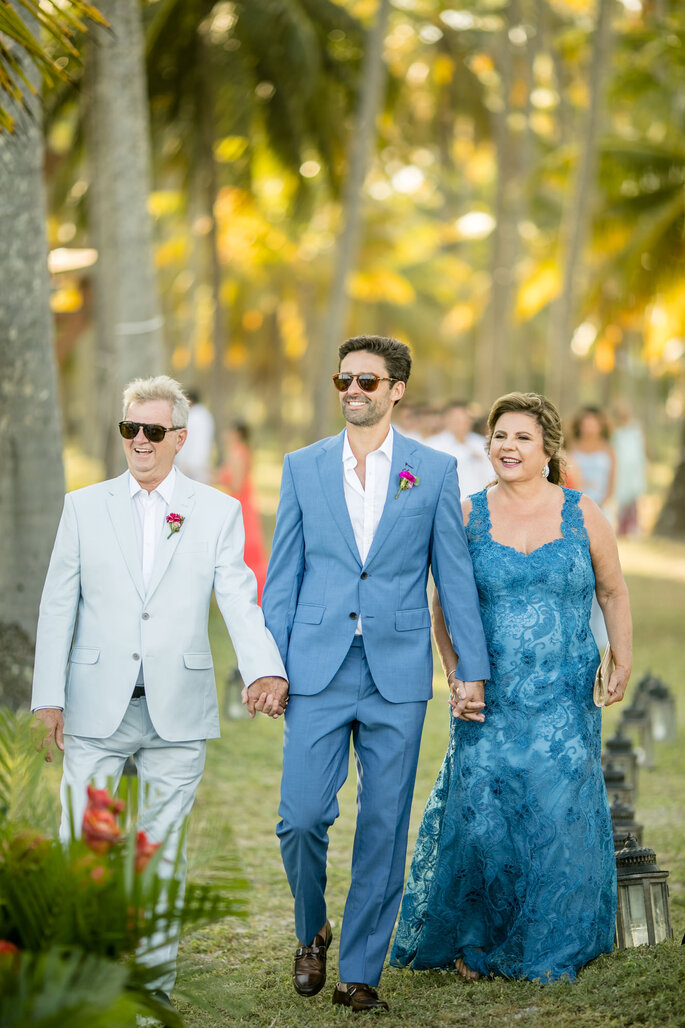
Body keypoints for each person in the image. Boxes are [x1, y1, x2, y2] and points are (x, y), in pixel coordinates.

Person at [31, 374, 288, 1013]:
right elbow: (57, 605)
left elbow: (237, 596)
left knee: (162, 852)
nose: (139, 442)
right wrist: (46, 697)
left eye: (152, 431)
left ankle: (150, 989)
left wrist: (263, 668)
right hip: (94, 704)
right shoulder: (83, 506)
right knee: (83, 845)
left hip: (178, 705)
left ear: (178, 437)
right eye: (129, 430)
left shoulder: (218, 510)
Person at [262, 335, 490, 1012]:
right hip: (316, 667)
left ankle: (358, 970)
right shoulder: (301, 467)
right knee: (299, 818)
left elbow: (453, 577)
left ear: (396, 390)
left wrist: (469, 670)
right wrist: (269, 666)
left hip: (397, 670)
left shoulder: (434, 470)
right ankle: (312, 931)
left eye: (367, 381)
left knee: (384, 823)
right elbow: (283, 578)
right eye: (343, 380)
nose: (353, 392)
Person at [391, 391, 632, 983]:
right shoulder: (468, 514)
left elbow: (612, 591)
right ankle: (478, 937)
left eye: (522, 437)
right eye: (499, 436)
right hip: (488, 695)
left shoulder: (584, 511)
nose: (507, 447)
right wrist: (454, 673)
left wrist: (620, 653)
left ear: (548, 447)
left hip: (564, 694)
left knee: (558, 813)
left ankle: (556, 932)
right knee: (484, 815)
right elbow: (441, 603)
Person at [217, 422, 268, 601]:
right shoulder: (242, 450)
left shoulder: (237, 452)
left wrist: (214, 477)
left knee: (244, 546)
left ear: (236, 433)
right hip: (244, 502)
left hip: (241, 503)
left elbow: (236, 484)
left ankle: (252, 593)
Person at [427, 400, 494, 497]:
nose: (462, 423)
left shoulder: (481, 443)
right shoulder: (434, 445)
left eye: (466, 419)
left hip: (482, 500)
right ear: (446, 420)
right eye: (457, 420)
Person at [568, 406, 615, 511]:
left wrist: (601, 505)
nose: (589, 429)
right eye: (586, 425)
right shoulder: (571, 447)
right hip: (575, 505)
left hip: (602, 505)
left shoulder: (608, 449)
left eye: (593, 425)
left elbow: (612, 483)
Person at [612, 400, 647, 537]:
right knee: (621, 496)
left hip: (634, 467)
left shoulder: (636, 428)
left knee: (633, 496)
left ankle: (633, 526)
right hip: (621, 468)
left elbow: (641, 448)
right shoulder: (616, 431)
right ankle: (621, 525)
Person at [174, 387, 215, 483]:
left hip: (189, 466)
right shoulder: (206, 415)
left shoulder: (192, 416)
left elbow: (186, 441)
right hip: (202, 464)